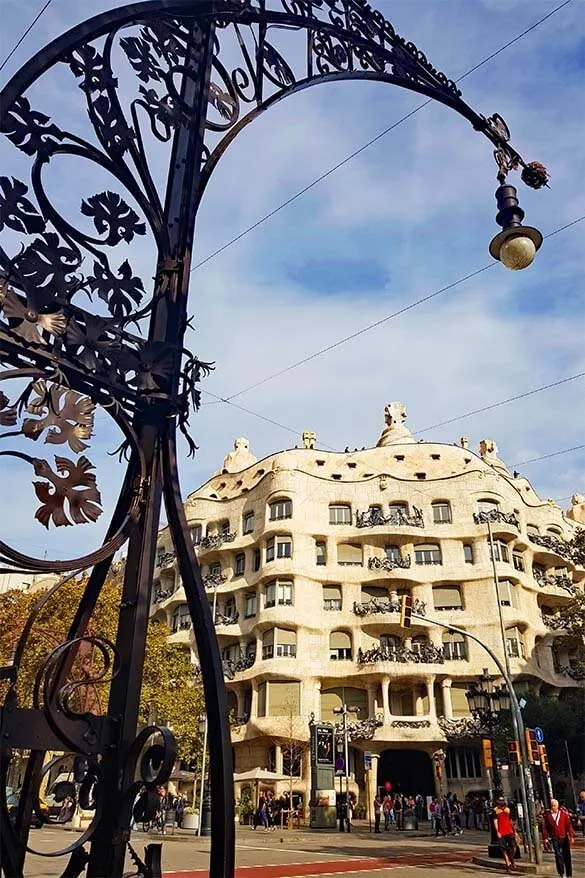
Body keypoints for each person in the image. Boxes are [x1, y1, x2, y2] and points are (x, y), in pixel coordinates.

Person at [543, 798, 575, 878]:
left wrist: (571, 836)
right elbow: (545, 828)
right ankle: (561, 873)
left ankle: (569, 874)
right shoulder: (548, 816)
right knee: (558, 855)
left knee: (567, 855)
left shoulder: (564, 815)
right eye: (552, 806)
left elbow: (568, 825)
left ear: (557, 806)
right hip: (555, 838)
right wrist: (546, 838)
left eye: (554, 806)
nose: (553, 807)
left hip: (564, 837)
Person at [493, 796, 518, 873]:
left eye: (502, 800)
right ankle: (508, 864)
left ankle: (512, 860)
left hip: (509, 831)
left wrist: (515, 831)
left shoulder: (508, 809)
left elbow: (511, 821)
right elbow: (495, 821)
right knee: (503, 848)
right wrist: (497, 831)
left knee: (513, 847)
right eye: (500, 800)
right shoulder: (495, 810)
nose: (501, 802)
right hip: (501, 832)